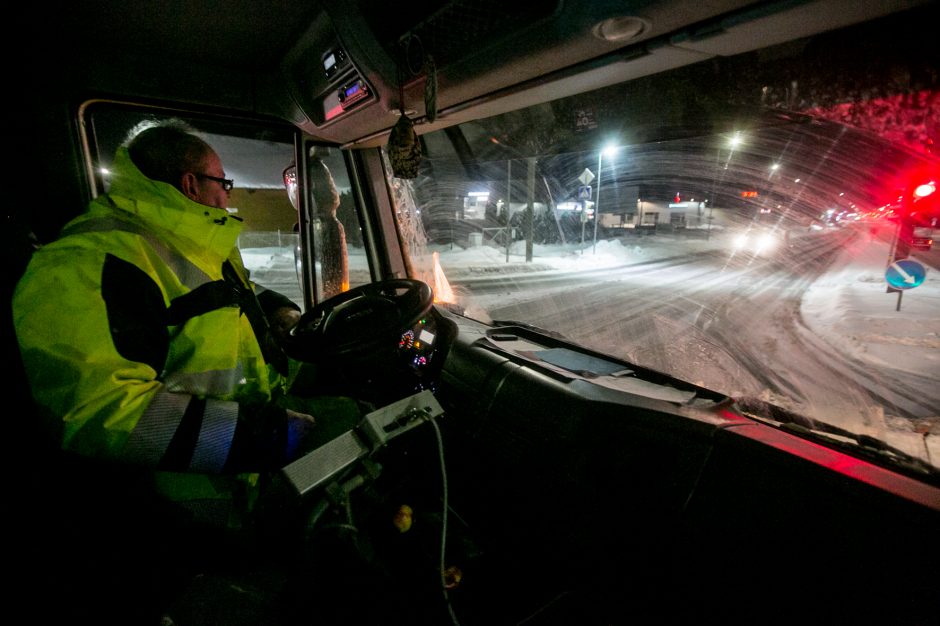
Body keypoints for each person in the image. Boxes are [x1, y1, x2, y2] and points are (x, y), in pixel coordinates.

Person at [11, 120, 351, 624]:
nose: (227, 195)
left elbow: (233, 293)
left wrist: (280, 311)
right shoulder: (89, 262)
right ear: (192, 184)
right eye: (223, 183)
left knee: (349, 415)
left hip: (241, 461)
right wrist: (268, 437)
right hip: (183, 505)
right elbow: (102, 411)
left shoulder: (187, 239)